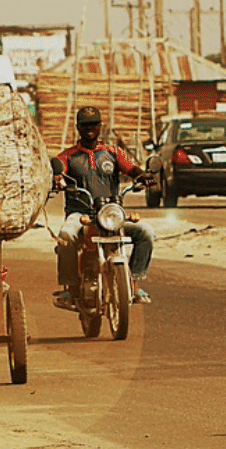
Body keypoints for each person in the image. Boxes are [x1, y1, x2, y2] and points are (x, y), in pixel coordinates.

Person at [53, 107, 157, 307]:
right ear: (78, 128)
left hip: (111, 214)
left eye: (93, 124)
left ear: (100, 127)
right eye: (85, 125)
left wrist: (143, 176)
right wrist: (57, 179)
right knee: (66, 236)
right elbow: (59, 172)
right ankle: (71, 288)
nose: (89, 128)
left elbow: (131, 168)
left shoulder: (113, 153)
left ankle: (134, 283)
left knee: (146, 233)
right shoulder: (68, 156)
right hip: (81, 214)